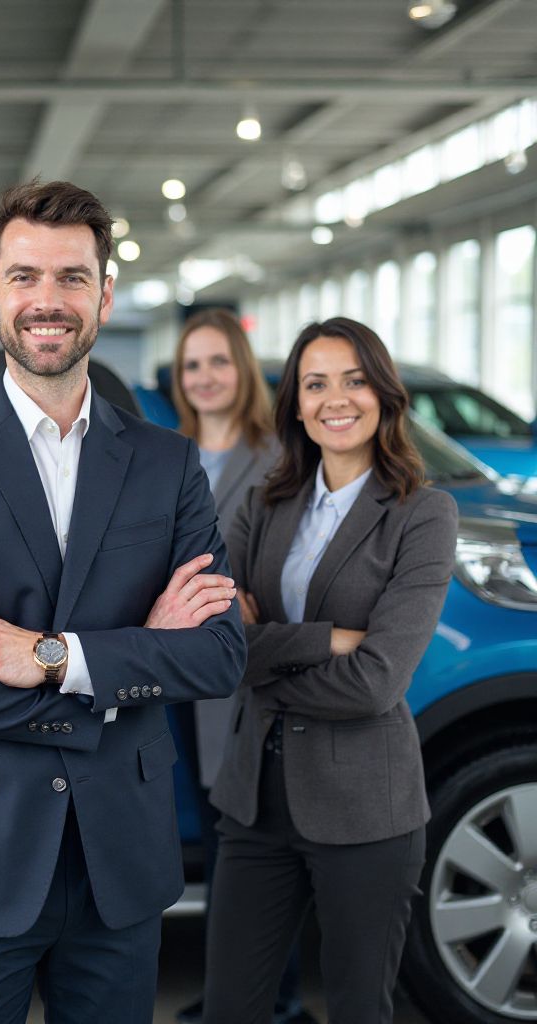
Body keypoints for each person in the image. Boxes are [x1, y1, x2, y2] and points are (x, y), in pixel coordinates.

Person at [0, 179, 246, 1024]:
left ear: (104, 296)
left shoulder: (167, 462)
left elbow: (218, 654)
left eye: (72, 277)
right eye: (24, 276)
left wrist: (52, 656)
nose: (47, 300)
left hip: (120, 861)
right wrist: (129, 663)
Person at [202, 317, 457, 1024]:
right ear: (295, 404)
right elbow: (214, 647)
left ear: (383, 394)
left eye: (354, 380)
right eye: (315, 384)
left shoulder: (423, 515)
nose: (335, 399)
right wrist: (328, 639)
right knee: (228, 1010)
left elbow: (377, 681)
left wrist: (264, 647)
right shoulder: (263, 504)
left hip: (365, 808)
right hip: (253, 800)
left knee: (356, 1011)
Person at [167, 310, 313, 1024]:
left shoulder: (280, 457)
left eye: (218, 362)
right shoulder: (170, 454)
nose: (205, 378)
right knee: (219, 835)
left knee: (256, 842)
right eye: (192, 366)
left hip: (248, 674)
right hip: (179, 675)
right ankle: (234, 997)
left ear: (243, 369)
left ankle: (275, 999)